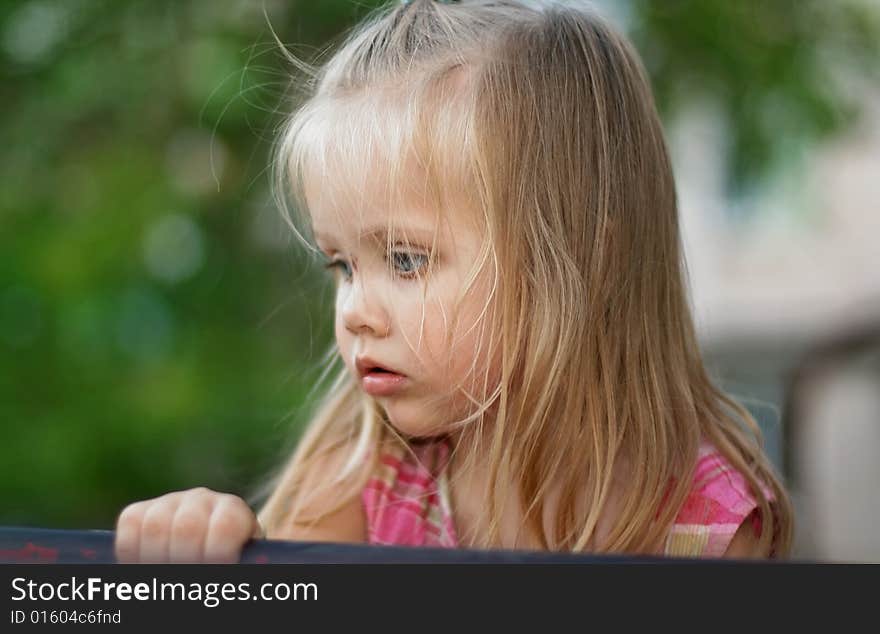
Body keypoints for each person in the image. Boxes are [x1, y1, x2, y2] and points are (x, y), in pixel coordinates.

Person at [114, 0, 794, 563]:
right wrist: (212, 555)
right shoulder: (363, 473)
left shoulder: (703, 530)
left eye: (406, 260)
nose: (354, 312)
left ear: (585, 259)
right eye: (342, 265)